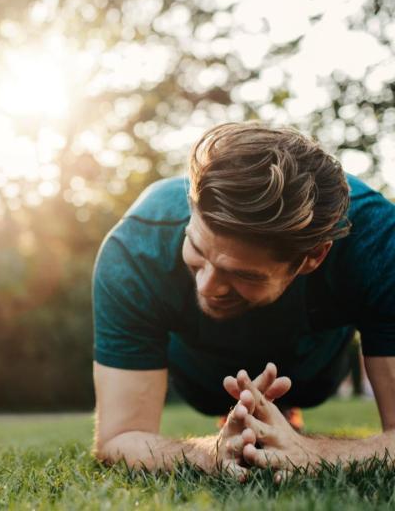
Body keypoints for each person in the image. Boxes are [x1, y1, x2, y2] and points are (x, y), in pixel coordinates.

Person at [92, 122, 395, 477]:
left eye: (244, 274)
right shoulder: (135, 249)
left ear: (314, 256)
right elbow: (118, 438)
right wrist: (214, 453)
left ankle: (284, 412)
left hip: (314, 372)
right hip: (200, 377)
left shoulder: (379, 243)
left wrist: (309, 453)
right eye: (196, 248)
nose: (206, 287)